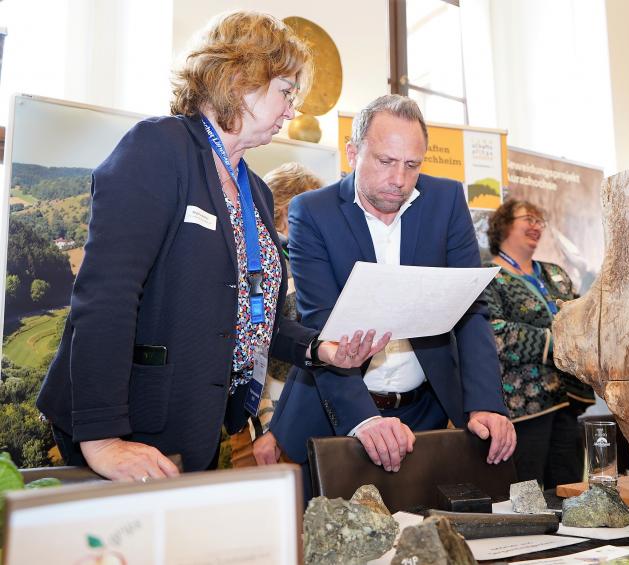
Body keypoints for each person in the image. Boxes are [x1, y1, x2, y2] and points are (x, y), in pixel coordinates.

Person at [36, 11, 388, 482]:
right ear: (241, 78)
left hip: (195, 424)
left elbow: (249, 311)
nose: (291, 110)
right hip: (128, 427)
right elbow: (106, 297)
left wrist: (321, 349)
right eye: (286, 92)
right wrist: (101, 438)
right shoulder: (158, 148)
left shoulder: (255, 190)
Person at [267, 95, 516, 479]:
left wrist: (486, 403)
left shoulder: (446, 202)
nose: (399, 180)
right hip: (337, 411)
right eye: (385, 162)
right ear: (353, 152)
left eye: (412, 165)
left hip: (426, 411)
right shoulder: (312, 211)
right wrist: (364, 419)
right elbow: (323, 324)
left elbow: (471, 309)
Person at [482, 199, 596, 488]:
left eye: (540, 221)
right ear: (503, 224)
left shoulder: (555, 272)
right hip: (524, 407)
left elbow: (581, 315)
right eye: (528, 219)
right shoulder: (487, 275)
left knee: (570, 491)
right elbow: (492, 331)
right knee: (528, 493)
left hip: (570, 400)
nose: (536, 226)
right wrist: (557, 344)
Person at [229, 163, 323, 467]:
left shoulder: (310, 260)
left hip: (304, 412)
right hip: (263, 419)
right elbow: (255, 346)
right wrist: (267, 427)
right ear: (280, 210)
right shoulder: (260, 262)